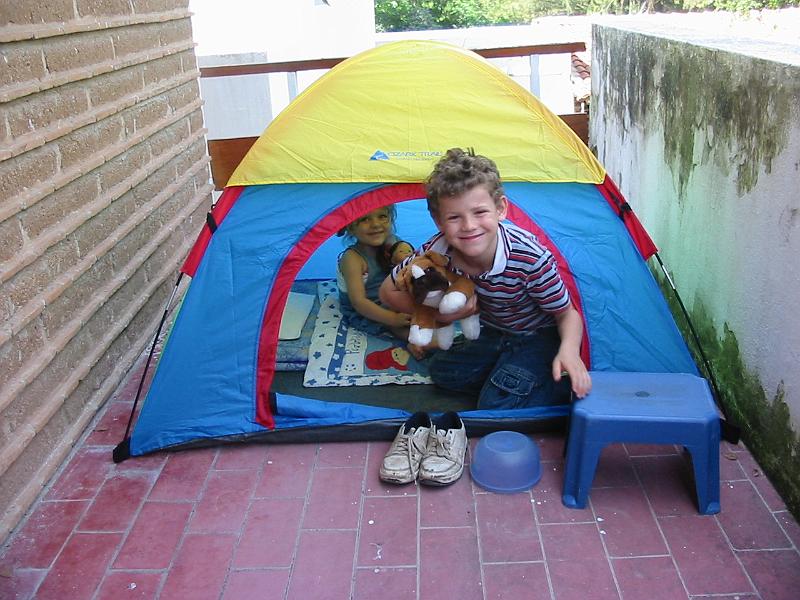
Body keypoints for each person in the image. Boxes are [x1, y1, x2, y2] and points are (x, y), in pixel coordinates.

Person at [379, 148, 592, 410]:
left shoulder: (530, 258)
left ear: (501, 209)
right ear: (438, 221)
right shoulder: (438, 250)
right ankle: (510, 373)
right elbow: (387, 291)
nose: (469, 226)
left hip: (537, 335)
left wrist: (569, 350)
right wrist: (442, 317)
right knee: (443, 373)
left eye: (480, 212)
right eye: (454, 217)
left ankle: (547, 381)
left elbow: (566, 314)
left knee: (495, 405)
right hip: (492, 330)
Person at [337, 206, 413, 340]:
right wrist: (393, 319)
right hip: (370, 307)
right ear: (350, 227)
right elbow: (359, 302)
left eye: (382, 217)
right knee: (399, 322)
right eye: (364, 219)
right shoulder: (352, 258)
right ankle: (417, 343)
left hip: (391, 295)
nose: (376, 224)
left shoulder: (393, 243)